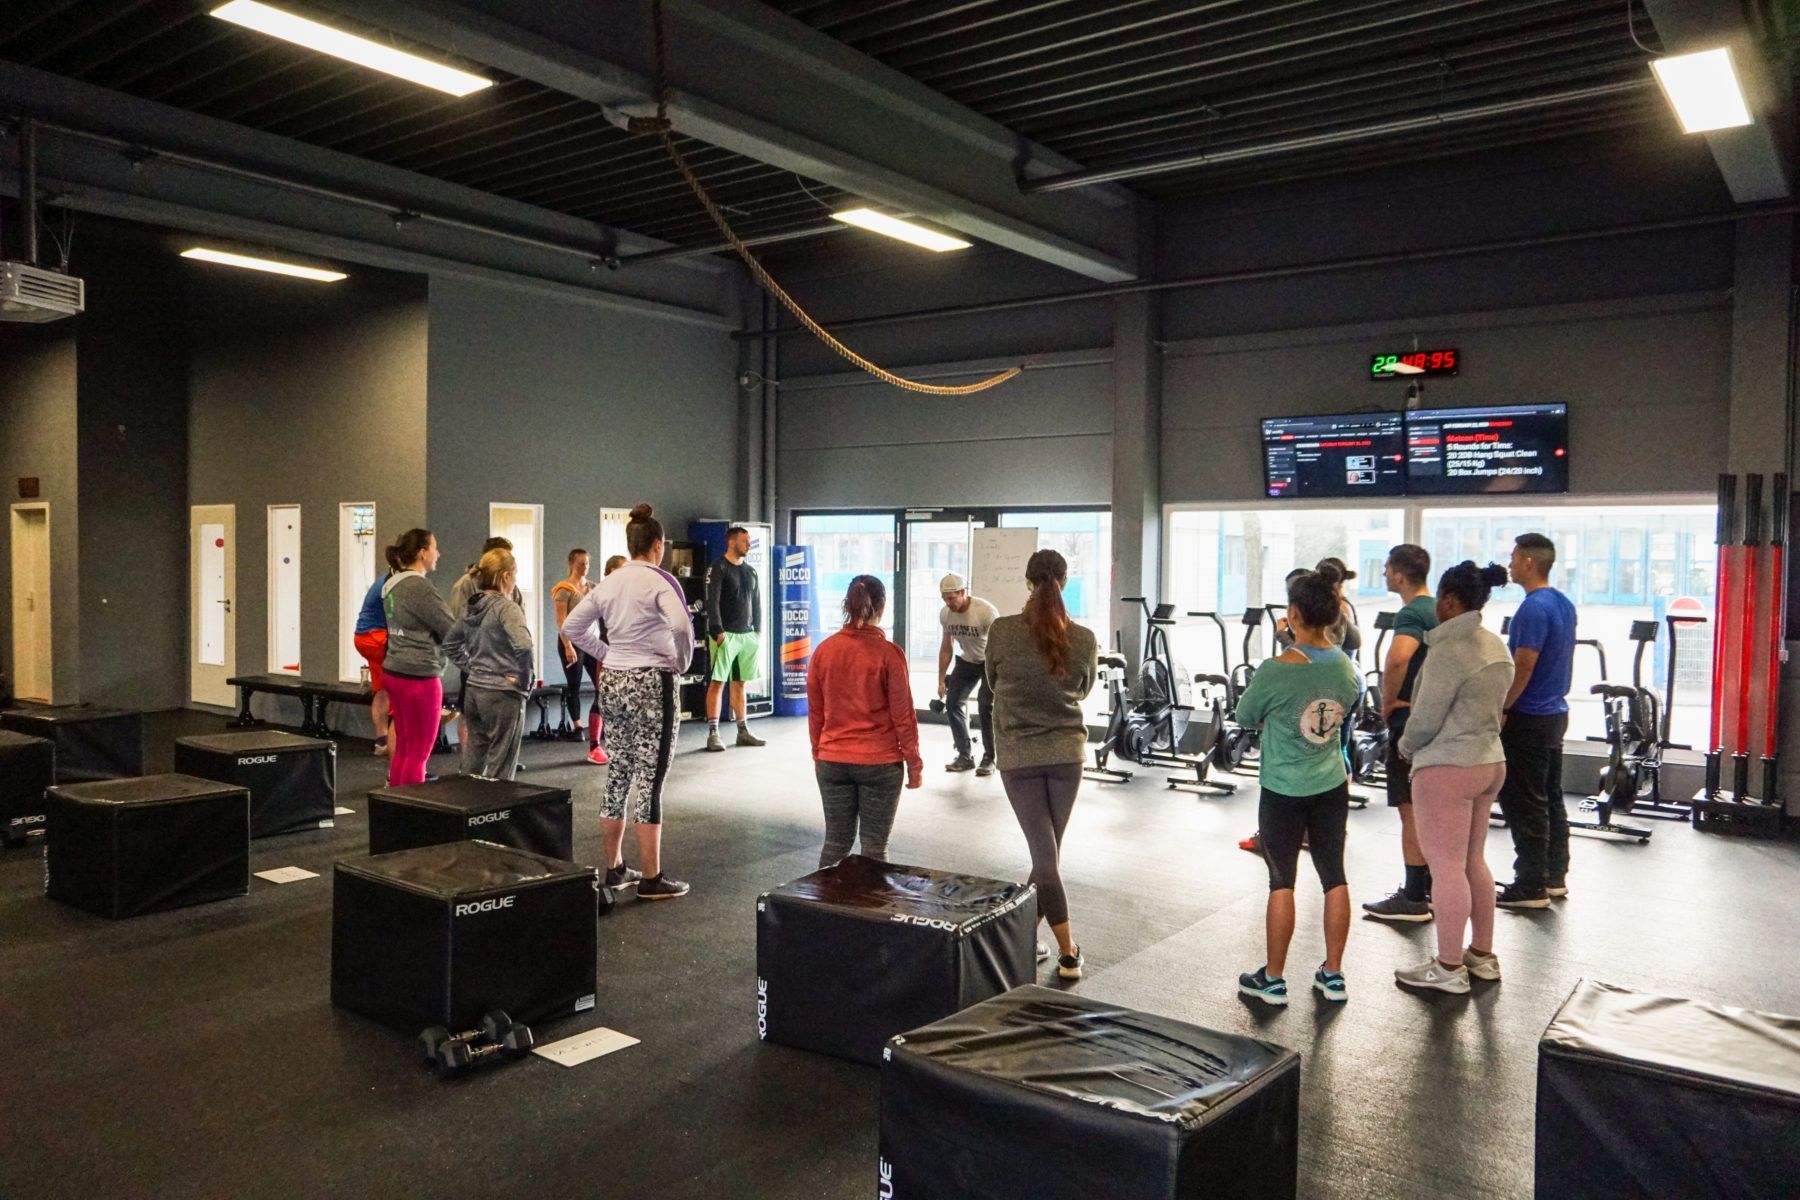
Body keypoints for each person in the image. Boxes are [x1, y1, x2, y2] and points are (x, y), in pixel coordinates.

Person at [1234, 570, 1363, 1007]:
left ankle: (1272, 979)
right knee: (1334, 876)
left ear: (1292, 614)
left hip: (1283, 789)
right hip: (1330, 784)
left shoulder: (1275, 670)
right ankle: (1334, 974)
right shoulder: (1348, 670)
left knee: (1281, 881)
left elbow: (1245, 714)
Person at [561, 504, 695, 901]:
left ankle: (616, 869)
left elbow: (572, 628)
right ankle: (652, 879)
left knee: (619, 771)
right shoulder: (661, 580)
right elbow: (682, 626)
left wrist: (608, 652)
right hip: (653, 680)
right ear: (658, 545)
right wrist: (681, 662)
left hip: (614, 681)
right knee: (650, 781)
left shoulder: (609, 583)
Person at [1393, 561, 1514, 994]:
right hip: (1489, 762)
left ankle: (1447, 968)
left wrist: (1405, 747)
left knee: (1445, 869)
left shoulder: (1449, 650)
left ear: (1448, 600)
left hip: (1448, 766)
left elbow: (1425, 718)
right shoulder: (1494, 645)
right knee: (1472, 861)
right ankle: (1481, 956)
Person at [984, 550, 1098, 981]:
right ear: (1063, 583)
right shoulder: (1084, 638)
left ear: (1028, 582)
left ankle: (1065, 952)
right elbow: (1084, 690)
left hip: (1017, 755)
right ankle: (1036, 942)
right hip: (1066, 756)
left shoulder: (1002, 630)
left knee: (1044, 856)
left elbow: (994, 684)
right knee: (1047, 854)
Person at [806, 575, 923, 868]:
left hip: (832, 761)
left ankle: (823, 910)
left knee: (835, 843)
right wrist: (914, 764)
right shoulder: (890, 655)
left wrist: (819, 753)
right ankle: (869, 912)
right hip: (879, 765)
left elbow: (816, 712)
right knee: (874, 847)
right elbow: (903, 717)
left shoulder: (824, 651)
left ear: (848, 605)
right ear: (881, 608)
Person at [1496, 532, 1577, 910]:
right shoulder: (1562, 603)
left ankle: (1529, 884)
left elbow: (1524, 664)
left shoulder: (1532, 608)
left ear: (1529, 561)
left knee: (1524, 801)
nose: (1510, 563)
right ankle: (1553, 875)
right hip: (1554, 714)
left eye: (1514, 557)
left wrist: (1504, 707)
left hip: (1529, 715)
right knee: (1550, 798)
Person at [1362, 544, 1441, 923]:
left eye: (1387, 569)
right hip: (1436, 720)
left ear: (1398, 574)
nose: (1384, 576)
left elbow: (1398, 658)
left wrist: (1388, 702)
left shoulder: (1412, 612)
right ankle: (1432, 888)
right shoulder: (1441, 608)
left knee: (1411, 811)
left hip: (1409, 720)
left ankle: (1412, 897)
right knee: (1431, 811)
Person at [444, 548, 535, 781]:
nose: (516, 581)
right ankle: (497, 812)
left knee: (475, 754)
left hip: (474, 691)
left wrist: (474, 668)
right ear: (505, 576)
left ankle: (467, 807)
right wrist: (525, 681)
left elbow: (450, 644)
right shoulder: (506, 608)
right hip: (502, 693)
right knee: (501, 762)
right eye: (515, 574)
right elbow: (524, 646)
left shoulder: (472, 607)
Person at [381, 528, 454, 787]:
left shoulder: (391, 583)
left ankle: (398, 810)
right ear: (423, 553)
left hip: (395, 671)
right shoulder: (419, 587)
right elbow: (450, 628)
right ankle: (412, 816)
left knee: (405, 749)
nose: (438, 554)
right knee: (419, 754)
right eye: (434, 548)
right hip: (418, 677)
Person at [450, 537, 525, 748]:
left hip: (505, 666)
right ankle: (469, 768)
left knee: (501, 723)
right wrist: (473, 662)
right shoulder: (466, 585)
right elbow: (457, 628)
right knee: (471, 718)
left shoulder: (512, 588)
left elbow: (521, 626)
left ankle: (496, 763)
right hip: (478, 665)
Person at [703, 526, 766, 753]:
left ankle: (742, 731)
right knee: (718, 682)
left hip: (747, 635)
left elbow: (757, 603)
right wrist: (718, 631)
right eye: (744, 540)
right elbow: (712, 602)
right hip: (725, 634)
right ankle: (713, 733)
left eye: (749, 541)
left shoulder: (751, 571)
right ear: (731, 542)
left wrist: (758, 630)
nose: (748, 544)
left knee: (740, 683)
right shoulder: (718, 568)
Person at [937, 573, 1000, 775]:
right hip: (967, 660)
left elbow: (999, 646)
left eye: (952, 598)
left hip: (989, 662)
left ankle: (990, 758)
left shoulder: (985, 612)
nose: (948, 603)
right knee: (953, 702)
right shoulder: (946, 614)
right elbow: (947, 647)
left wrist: (999, 675)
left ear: (963, 593)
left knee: (985, 705)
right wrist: (940, 679)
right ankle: (965, 756)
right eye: (945, 598)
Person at [551, 549, 607, 765]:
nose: (585, 566)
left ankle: (600, 726)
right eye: (581, 563)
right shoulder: (564, 590)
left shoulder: (593, 588)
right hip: (571, 643)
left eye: (587, 563)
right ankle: (577, 727)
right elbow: (561, 620)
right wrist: (567, 645)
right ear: (572, 563)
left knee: (601, 684)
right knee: (573, 685)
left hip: (592, 642)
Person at [353, 546, 398, 758]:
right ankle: (395, 746)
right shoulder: (390, 584)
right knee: (400, 688)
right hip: (374, 637)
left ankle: (381, 740)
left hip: (365, 637)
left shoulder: (387, 579)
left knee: (382, 690)